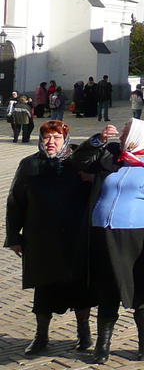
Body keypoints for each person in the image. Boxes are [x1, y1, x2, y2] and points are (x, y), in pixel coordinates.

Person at [71, 120, 144, 363]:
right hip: (103, 234)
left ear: (139, 136)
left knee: (141, 291)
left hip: (139, 238)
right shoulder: (111, 156)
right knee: (106, 291)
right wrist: (98, 140)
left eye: (125, 133)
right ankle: (103, 345)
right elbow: (77, 161)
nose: (120, 137)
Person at [4, 121, 95, 356]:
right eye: (46, 137)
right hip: (42, 239)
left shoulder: (79, 162)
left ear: (65, 139)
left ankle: (84, 332)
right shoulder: (30, 164)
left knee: (80, 287)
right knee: (44, 288)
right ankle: (41, 335)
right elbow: (15, 201)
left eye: (56, 137)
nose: (51, 142)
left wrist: (95, 179)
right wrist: (14, 236)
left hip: (76, 237)